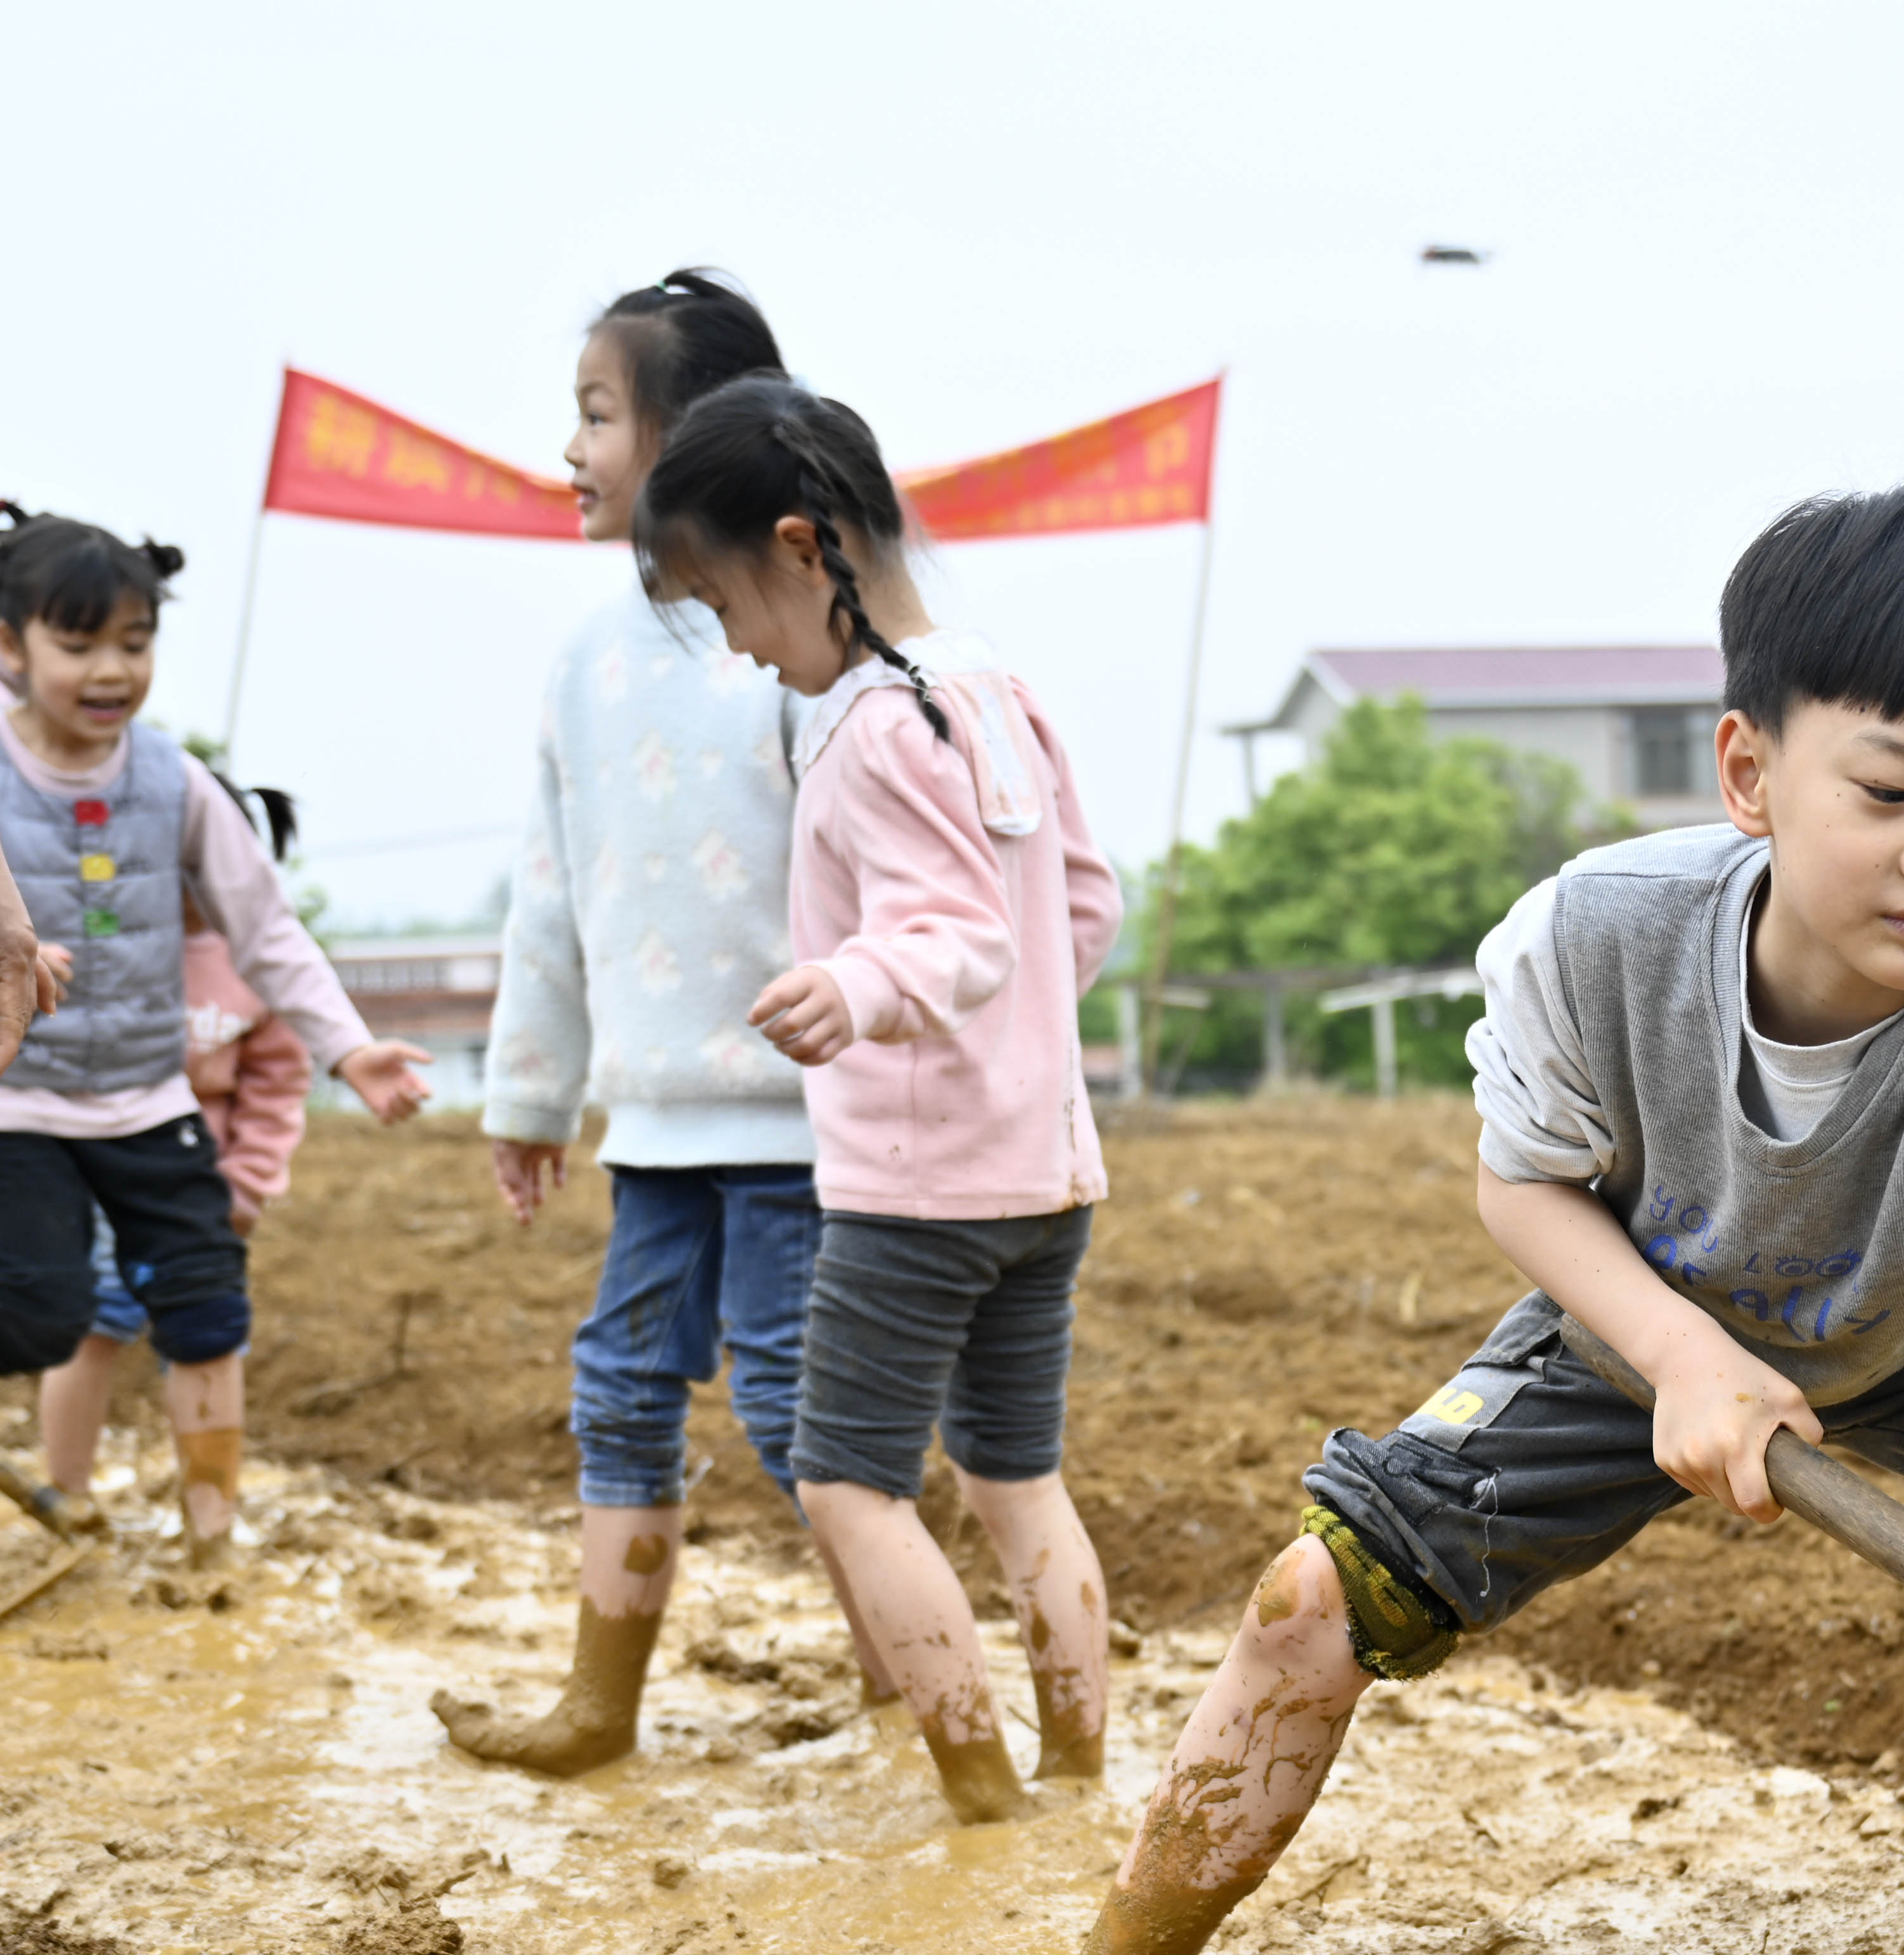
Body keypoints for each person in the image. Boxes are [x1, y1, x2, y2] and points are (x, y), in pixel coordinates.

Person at [1064, 486, 1904, 1955]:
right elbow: (1522, 1187)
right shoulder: (1595, 939)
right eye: (1889, 793)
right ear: (1749, 772)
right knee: (1306, 1604)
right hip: (1644, 1309)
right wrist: (1678, 1355)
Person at [631, 376, 1119, 1824]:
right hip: (1042, 1171)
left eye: (721, 607)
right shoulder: (993, 691)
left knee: (847, 1481)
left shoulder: (871, 727)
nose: (732, 648)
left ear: (797, 547)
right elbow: (1075, 907)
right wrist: (1014, 1030)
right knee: (1015, 1480)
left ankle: (978, 1799)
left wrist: (855, 989)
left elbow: (951, 932)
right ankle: (1080, 1779)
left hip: (918, 1194)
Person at [439, 270, 884, 1779]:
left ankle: (912, 1685)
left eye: (595, 415)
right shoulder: (582, 663)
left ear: (696, 438)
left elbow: (892, 870)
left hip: (799, 1130)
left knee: (793, 1410)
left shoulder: (803, 651)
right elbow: (549, 892)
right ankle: (597, 1704)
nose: (568, 449)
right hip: (655, 1129)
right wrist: (528, 1095)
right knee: (619, 1389)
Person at [0, 508, 430, 1563]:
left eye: (135, 645)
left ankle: (211, 1542)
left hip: (150, 1103)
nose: (112, 671)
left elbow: (267, 929)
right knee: (47, 1317)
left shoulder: (176, 782)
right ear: (10, 647)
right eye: (80, 643)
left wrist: (349, 1045)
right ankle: (69, 1481)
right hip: (22, 1106)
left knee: (204, 1308)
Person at [35, 869, 314, 1533]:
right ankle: (65, 1496)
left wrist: (246, 1184)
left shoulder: (254, 963)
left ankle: (210, 1527)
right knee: (92, 1322)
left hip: (203, 1194)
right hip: (103, 1174)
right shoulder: (98, 941)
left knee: (207, 1336)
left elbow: (277, 1086)